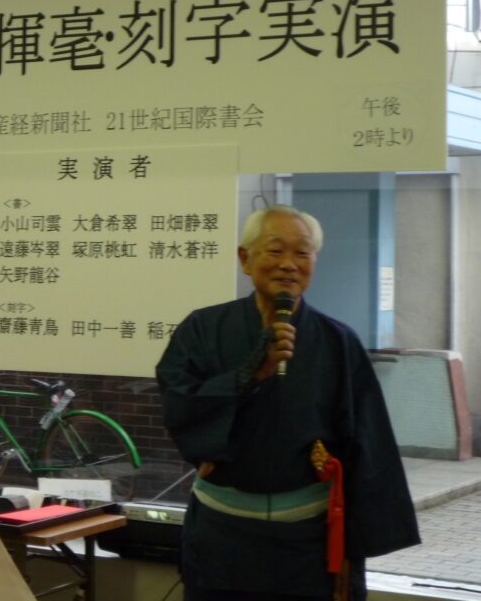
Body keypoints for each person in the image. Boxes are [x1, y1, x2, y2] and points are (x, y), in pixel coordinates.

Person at [156, 205, 419, 601]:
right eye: (275, 251)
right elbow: (179, 406)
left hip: (307, 542)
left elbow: (367, 446)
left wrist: (355, 549)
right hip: (223, 539)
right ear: (245, 259)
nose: (289, 264)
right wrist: (250, 374)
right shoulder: (202, 329)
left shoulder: (338, 342)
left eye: (302, 253)